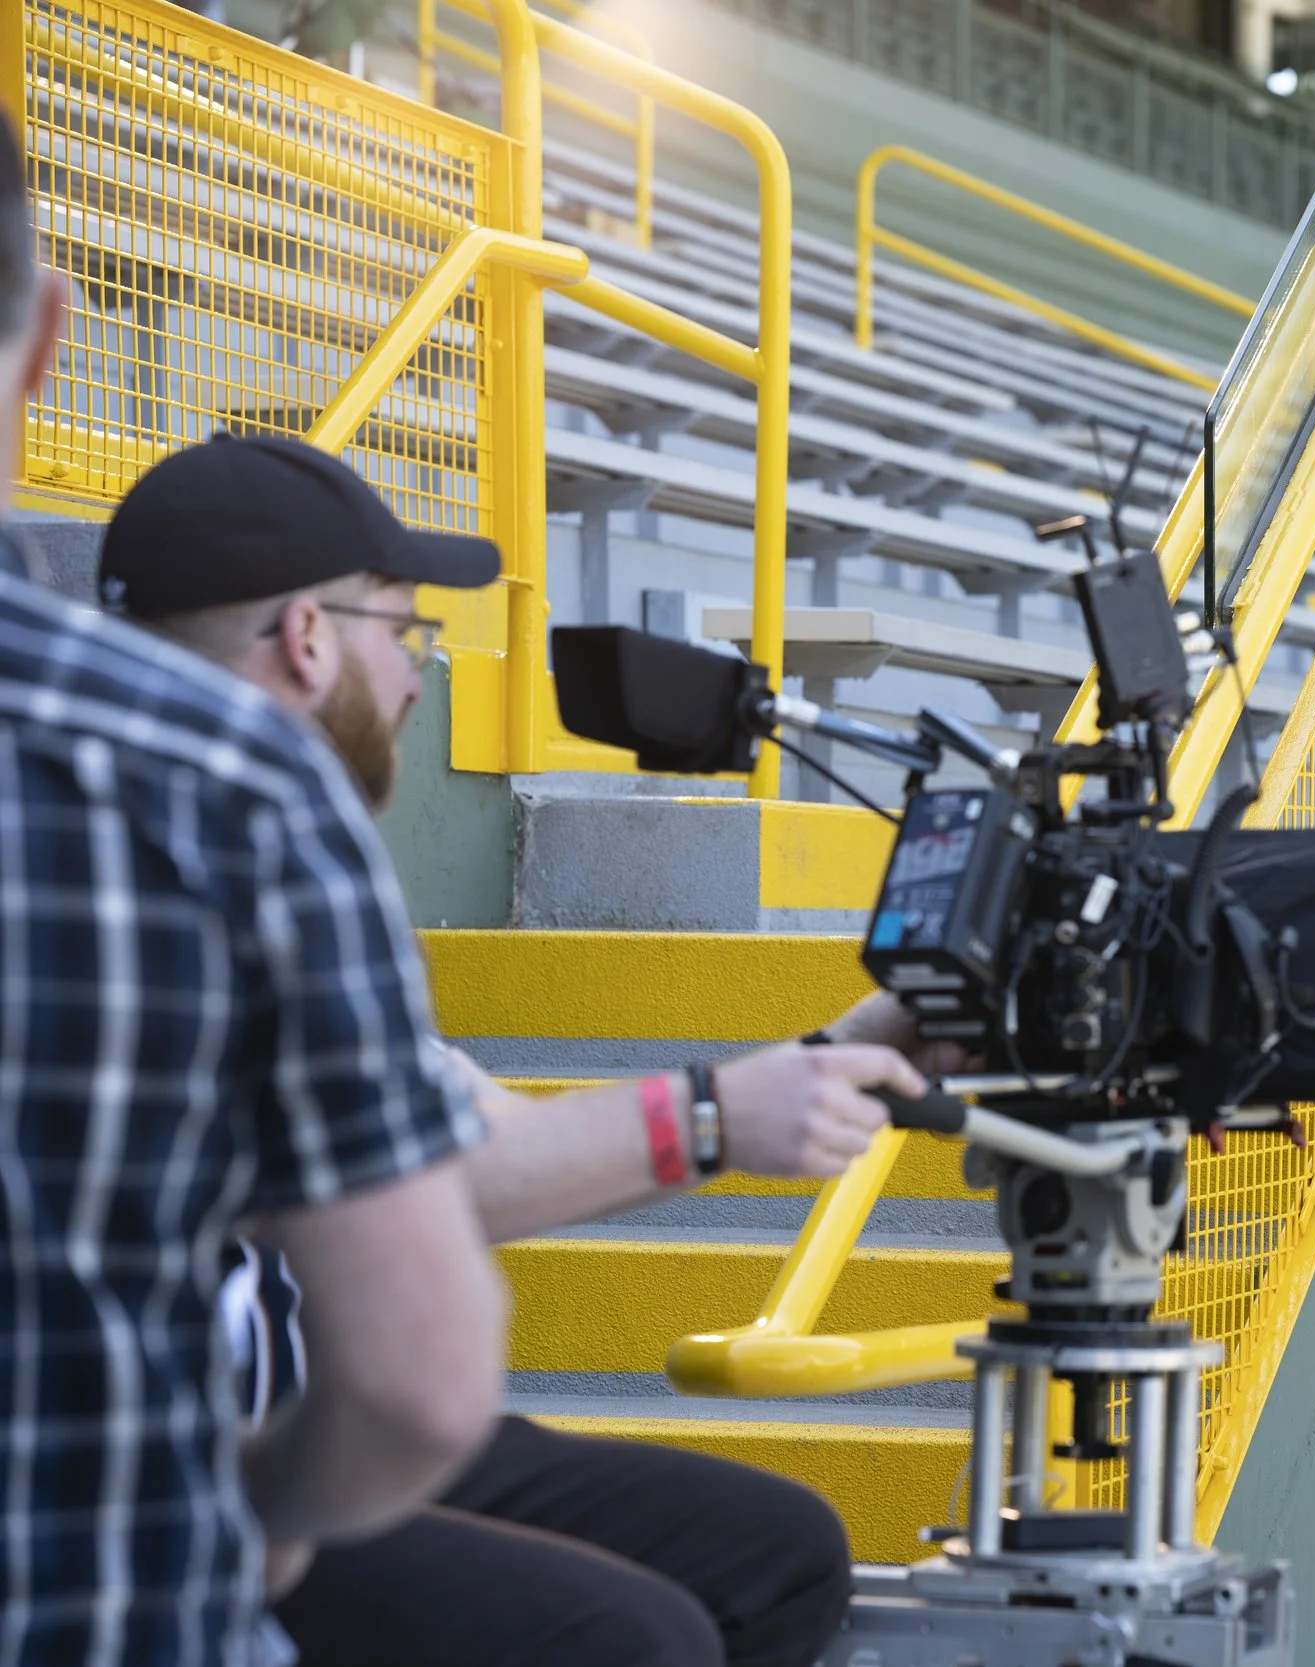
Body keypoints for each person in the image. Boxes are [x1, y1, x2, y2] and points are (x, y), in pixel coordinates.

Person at [97, 433, 937, 1667]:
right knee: (629, 1639)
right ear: (307, 637)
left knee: (778, 1551)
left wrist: (844, 1048)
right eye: (408, 632)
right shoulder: (178, 860)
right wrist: (713, 1117)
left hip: (276, 1426)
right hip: (171, 1474)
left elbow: (473, 1131)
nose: (417, 679)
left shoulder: (214, 830)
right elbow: (453, 1190)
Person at [0, 126, 511, 1662]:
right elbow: (421, 1375)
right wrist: (264, 1503)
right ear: (43, 339)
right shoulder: (216, 784)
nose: (412, 669)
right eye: (401, 628)